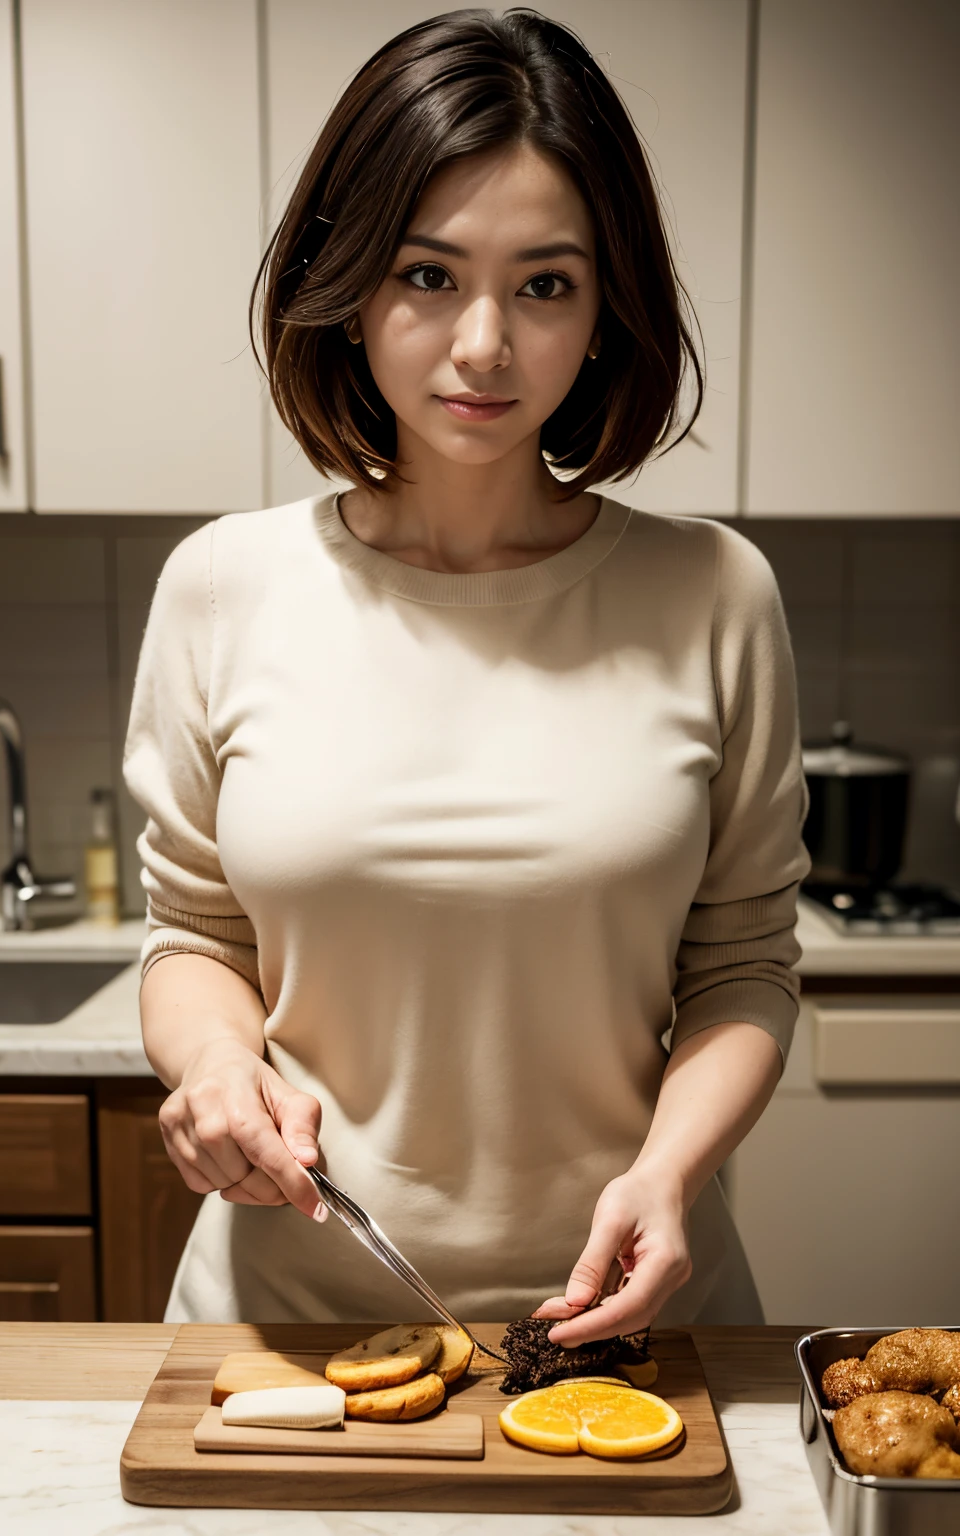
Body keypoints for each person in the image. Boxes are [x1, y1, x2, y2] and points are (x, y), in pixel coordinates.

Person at [123, 8, 809, 1345]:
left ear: (609, 308)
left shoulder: (716, 593)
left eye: (544, 284)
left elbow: (744, 967)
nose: (485, 346)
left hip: (635, 1335)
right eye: (429, 276)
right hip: (287, 1344)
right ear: (348, 282)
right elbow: (195, 936)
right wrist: (214, 1065)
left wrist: (670, 1175)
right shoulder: (222, 585)